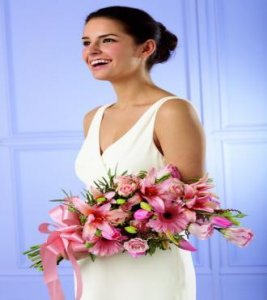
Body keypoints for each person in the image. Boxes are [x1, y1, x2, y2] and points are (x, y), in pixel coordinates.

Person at [75, 5, 205, 300]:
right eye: (86, 42)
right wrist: (74, 234)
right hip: (96, 268)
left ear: (146, 47)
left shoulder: (172, 111)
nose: (92, 50)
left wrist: (113, 233)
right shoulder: (92, 118)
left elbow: (191, 205)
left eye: (107, 40)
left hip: (151, 270)